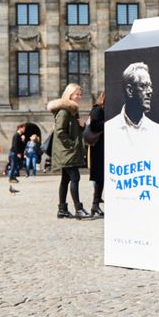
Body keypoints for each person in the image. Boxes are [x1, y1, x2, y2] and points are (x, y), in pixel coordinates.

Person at [49, 83, 88, 219]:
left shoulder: (72, 111)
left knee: (65, 179)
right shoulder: (64, 111)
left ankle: (62, 210)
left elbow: (74, 132)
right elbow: (59, 132)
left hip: (68, 151)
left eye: (80, 94)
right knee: (75, 177)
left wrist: (82, 127)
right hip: (67, 151)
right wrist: (71, 145)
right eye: (77, 94)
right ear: (70, 94)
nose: (79, 96)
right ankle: (78, 209)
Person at [87, 91, 106, 218]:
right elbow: (94, 125)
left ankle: (96, 204)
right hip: (98, 148)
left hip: (104, 147)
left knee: (102, 177)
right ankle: (95, 205)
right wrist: (109, 123)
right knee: (99, 177)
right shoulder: (97, 110)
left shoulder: (102, 110)